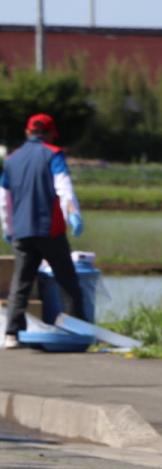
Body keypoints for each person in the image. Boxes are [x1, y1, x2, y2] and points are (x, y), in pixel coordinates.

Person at [0, 113, 86, 349]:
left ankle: (12, 334)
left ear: (28, 132)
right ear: (48, 134)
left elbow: (3, 199)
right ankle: (75, 330)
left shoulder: (12, 160)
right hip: (50, 230)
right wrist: (73, 215)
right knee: (66, 280)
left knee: (21, 282)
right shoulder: (53, 154)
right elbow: (63, 188)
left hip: (22, 232)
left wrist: (8, 228)